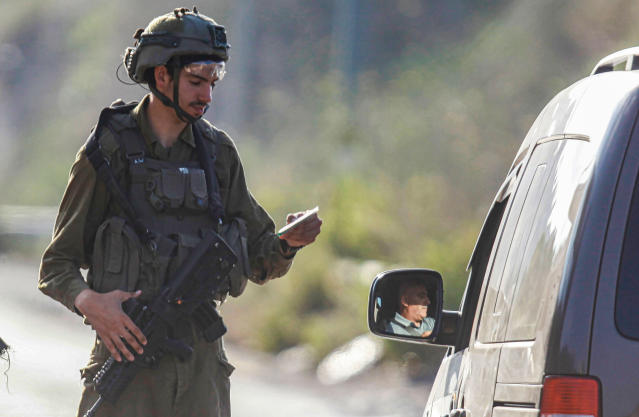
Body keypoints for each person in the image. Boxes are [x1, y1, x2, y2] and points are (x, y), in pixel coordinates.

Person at [38, 7, 321, 417]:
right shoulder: (107, 152)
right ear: (161, 75)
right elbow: (56, 266)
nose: (206, 95)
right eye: (195, 81)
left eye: (211, 83)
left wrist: (287, 243)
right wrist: (91, 303)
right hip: (127, 366)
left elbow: (261, 260)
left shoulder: (218, 155)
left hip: (201, 372)